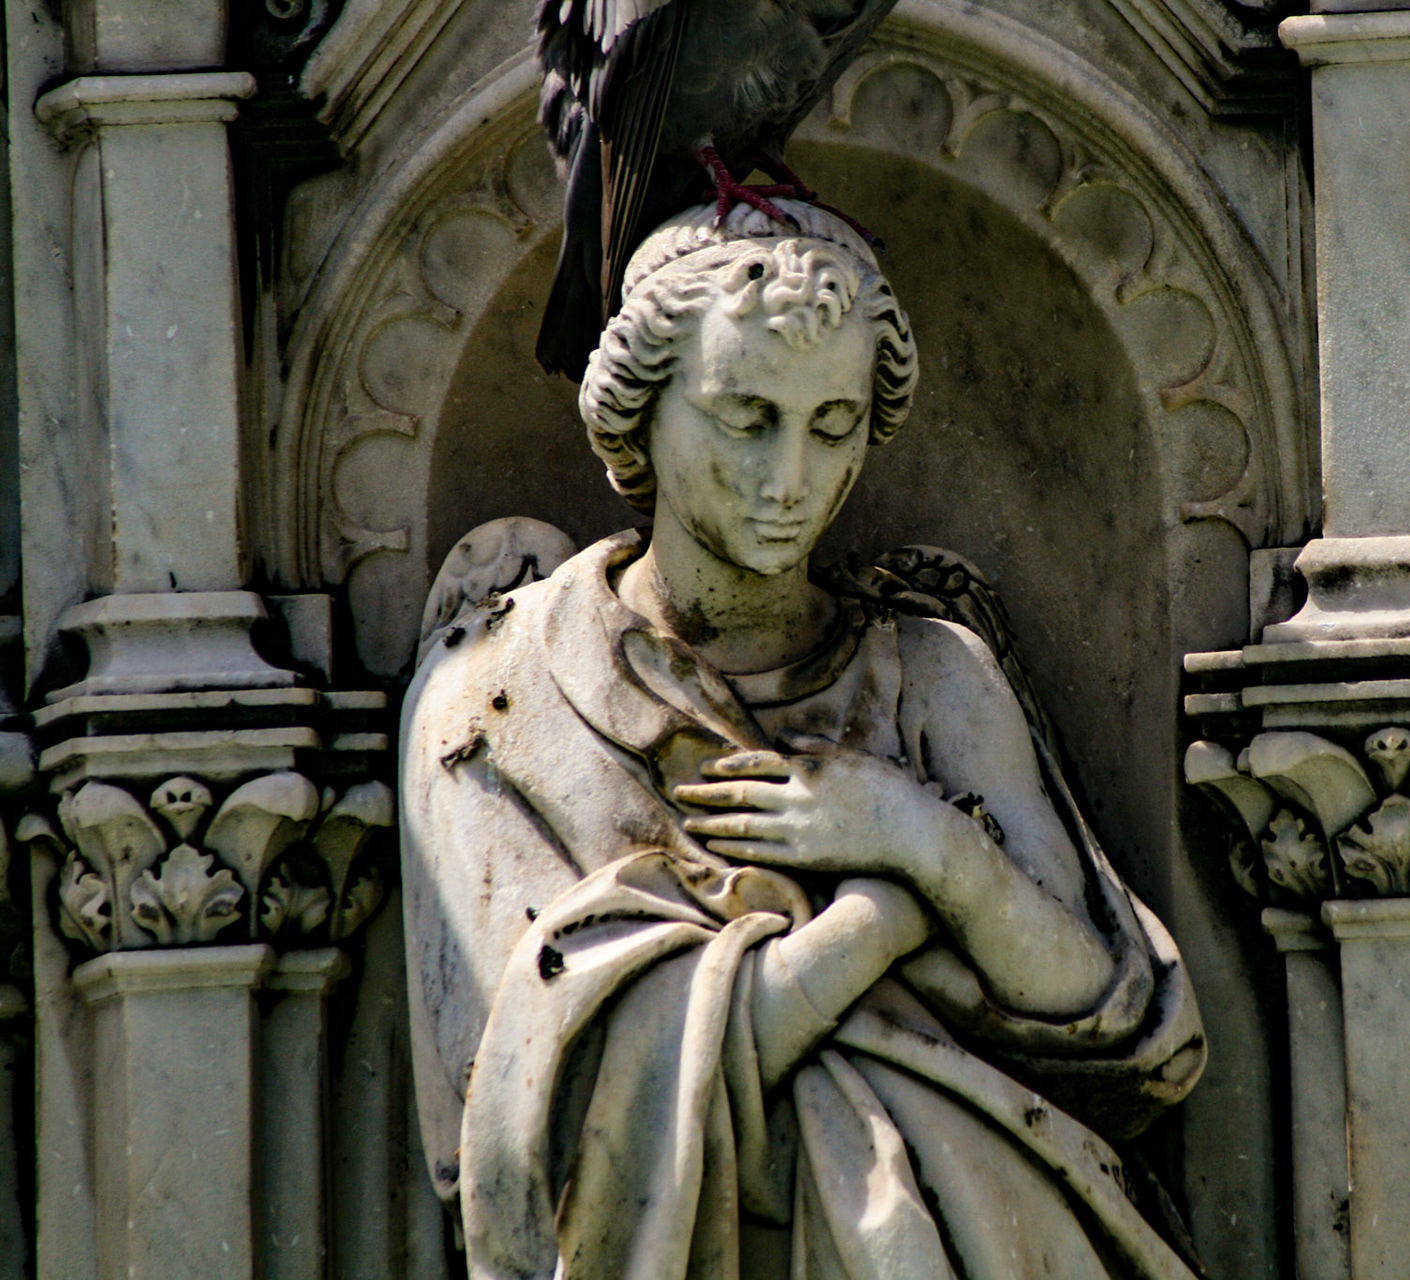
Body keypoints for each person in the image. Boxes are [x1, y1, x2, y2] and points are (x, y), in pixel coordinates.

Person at [400, 200, 1205, 1280]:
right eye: (744, 418)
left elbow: (1123, 1026)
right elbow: (527, 1109)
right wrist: (879, 924)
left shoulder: (933, 673)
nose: (790, 479)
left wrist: (931, 848)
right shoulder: (500, 687)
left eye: (832, 427)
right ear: (638, 417)